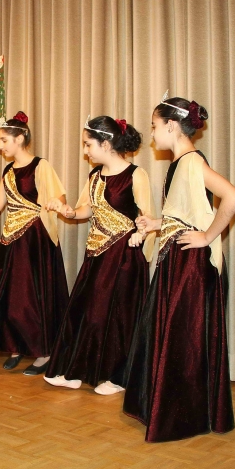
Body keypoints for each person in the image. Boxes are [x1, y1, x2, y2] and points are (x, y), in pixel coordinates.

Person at [123, 92, 235, 442]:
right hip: (177, 260)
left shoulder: (190, 162)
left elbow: (233, 197)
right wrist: (157, 223)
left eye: (155, 126)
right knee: (175, 336)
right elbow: (185, 214)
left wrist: (207, 237)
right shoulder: (180, 163)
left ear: (172, 126)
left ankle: (181, 415)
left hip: (191, 266)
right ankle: (175, 409)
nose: (152, 133)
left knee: (184, 339)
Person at [44, 116, 155, 394]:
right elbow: (86, 210)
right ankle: (76, 371)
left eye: (88, 144)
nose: (85, 151)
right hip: (96, 254)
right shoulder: (94, 176)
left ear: (106, 144)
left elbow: (147, 216)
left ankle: (117, 377)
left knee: (118, 316)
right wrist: (68, 211)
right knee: (86, 313)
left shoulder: (136, 175)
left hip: (124, 257)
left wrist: (141, 233)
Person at [0, 111, 69, 375]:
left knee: (34, 295)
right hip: (12, 240)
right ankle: (16, 346)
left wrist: (56, 203)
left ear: (20, 138)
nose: (0, 146)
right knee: (13, 295)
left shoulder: (41, 166)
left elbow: (60, 198)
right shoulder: (8, 171)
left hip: (35, 240)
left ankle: (44, 352)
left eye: (4, 140)